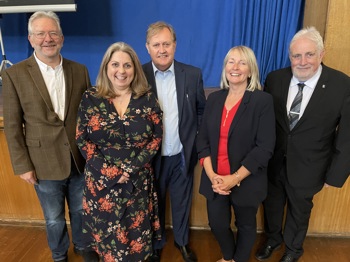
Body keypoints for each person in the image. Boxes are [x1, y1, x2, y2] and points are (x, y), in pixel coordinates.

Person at [255, 27, 350, 262]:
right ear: (290, 56)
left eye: (309, 54)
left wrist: (335, 175)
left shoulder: (341, 84)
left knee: (300, 211)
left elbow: (347, 136)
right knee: (272, 206)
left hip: (311, 165)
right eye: (296, 55)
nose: (302, 61)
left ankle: (293, 249)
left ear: (321, 54)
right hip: (274, 161)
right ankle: (273, 240)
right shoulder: (275, 79)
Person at [2, 11, 91, 262]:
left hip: (79, 159)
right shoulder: (14, 75)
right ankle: (59, 254)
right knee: (53, 217)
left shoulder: (80, 70)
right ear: (31, 39)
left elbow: (88, 116)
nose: (47, 39)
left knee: (81, 210)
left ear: (62, 37)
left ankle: (84, 247)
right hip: (42, 163)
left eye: (53, 33)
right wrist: (23, 165)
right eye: (40, 33)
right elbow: (12, 125)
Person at [76, 42, 162, 262]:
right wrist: (112, 172)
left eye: (127, 65)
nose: (121, 71)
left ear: (135, 69)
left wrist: (130, 168)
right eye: (115, 64)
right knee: (106, 243)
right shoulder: (91, 97)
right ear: (106, 67)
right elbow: (82, 138)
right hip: (101, 183)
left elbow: (156, 138)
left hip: (137, 181)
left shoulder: (148, 98)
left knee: (135, 240)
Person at [196, 46, 276, 262]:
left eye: (242, 62)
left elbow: (265, 147)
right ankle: (229, 257)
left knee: (246, 225)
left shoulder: (262, 101)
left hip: (245, 179)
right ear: (225, 68)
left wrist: (235, 178)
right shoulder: (214, 99)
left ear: (250, 70)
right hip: (216, 179)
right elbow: (202, 140)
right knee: (218, 224)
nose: (235, 67)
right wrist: (213, 176)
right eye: (231, 62)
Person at [142, 21, 206, 262]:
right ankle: (156, 243)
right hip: (150, 157)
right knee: (153, 203)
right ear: (148, 47)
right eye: (156, 45)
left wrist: (195, 142)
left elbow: (201, 110)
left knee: (181, 202)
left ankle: (182, 243)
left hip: (181, 154)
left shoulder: (192, 74)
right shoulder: (138, 75)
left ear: (175, 45)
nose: (162, 49)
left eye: (166, 44)